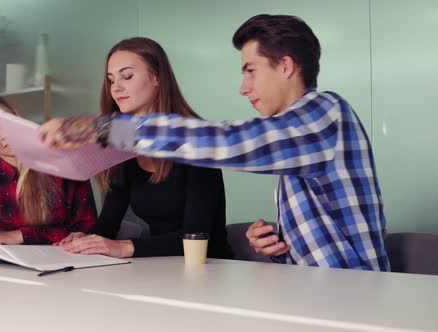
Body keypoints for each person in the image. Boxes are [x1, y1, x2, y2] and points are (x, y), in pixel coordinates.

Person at [38, 15, 389, 271]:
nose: (244, 86)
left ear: (285, 66)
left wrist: (99, 128)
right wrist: (277, 244)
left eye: (250, 70)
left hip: (352, 298)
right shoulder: (301, 132)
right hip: (318, 293)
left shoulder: (324, 113)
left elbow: (230, 141)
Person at [55, 37, 232, 259]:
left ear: (157, 77)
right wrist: (85, 240)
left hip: (210, 269)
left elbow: (196, 237)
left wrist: (124, 247)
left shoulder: (193, 139)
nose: (116, 88)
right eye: (111, 80)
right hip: (157, 268)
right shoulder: (124, 142)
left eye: (127, 76)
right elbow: (108, 224)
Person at [0, 94, 97, 244]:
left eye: (4, 122)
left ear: (16, 115)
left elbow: (89, 228)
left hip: (61, 262)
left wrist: (19, 236)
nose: (4, 135)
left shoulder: (62, 162)